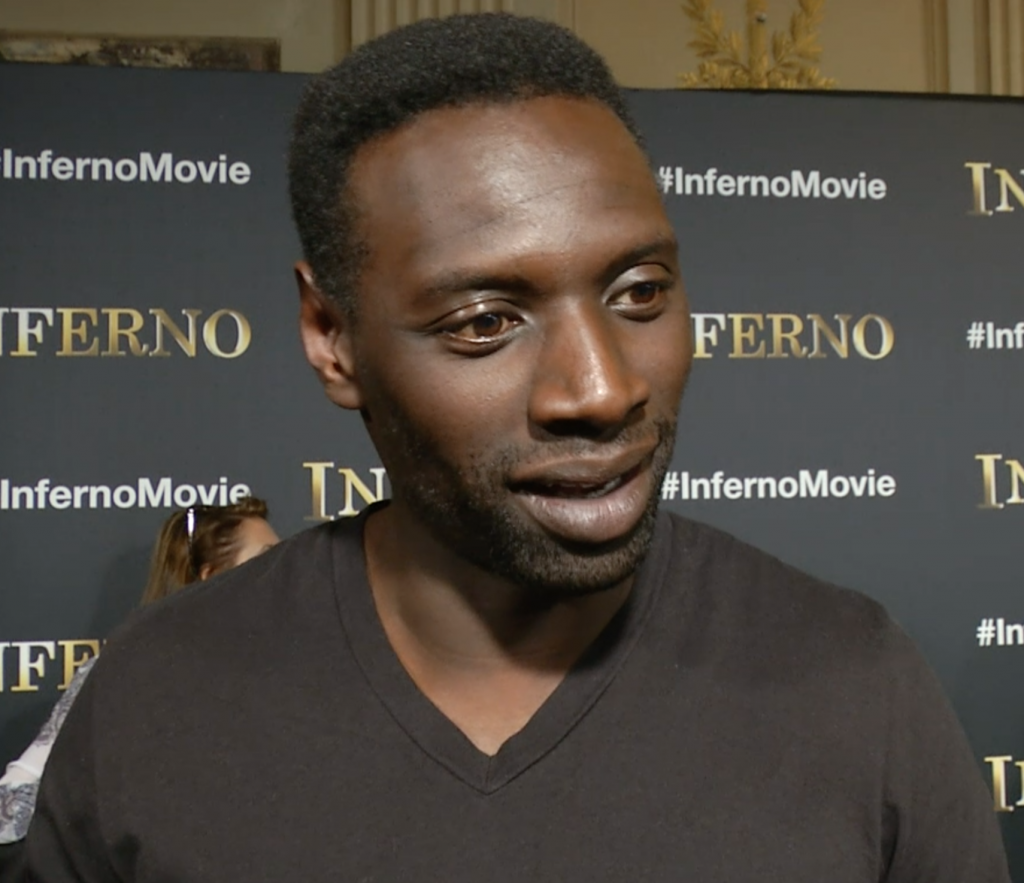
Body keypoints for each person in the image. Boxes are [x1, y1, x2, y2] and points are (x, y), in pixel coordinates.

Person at [21, 13, 1009, 882]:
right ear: (331, 338)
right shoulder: (158, 701)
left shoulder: (852, 685)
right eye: (487, 320)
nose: (601, 387)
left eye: (638, 292)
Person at [0, 497, 277, 848]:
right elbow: (15, 802)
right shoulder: (124, 672)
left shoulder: (283, 676)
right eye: (267, 559)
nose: (285, 574)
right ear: (212, 577)